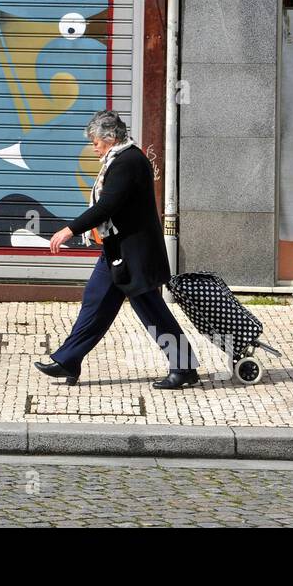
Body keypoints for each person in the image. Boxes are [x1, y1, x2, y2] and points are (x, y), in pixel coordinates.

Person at [35, 110, 200, 390]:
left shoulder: (129, 162)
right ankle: (69, 360)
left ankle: (184, 368)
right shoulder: (119, 159)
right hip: (116, 250)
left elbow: (107, 206)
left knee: (152, 312)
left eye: (96, 141)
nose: (93, 146)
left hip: (135, 255)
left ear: (111, 138)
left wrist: (69, 230)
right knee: (95, 302)